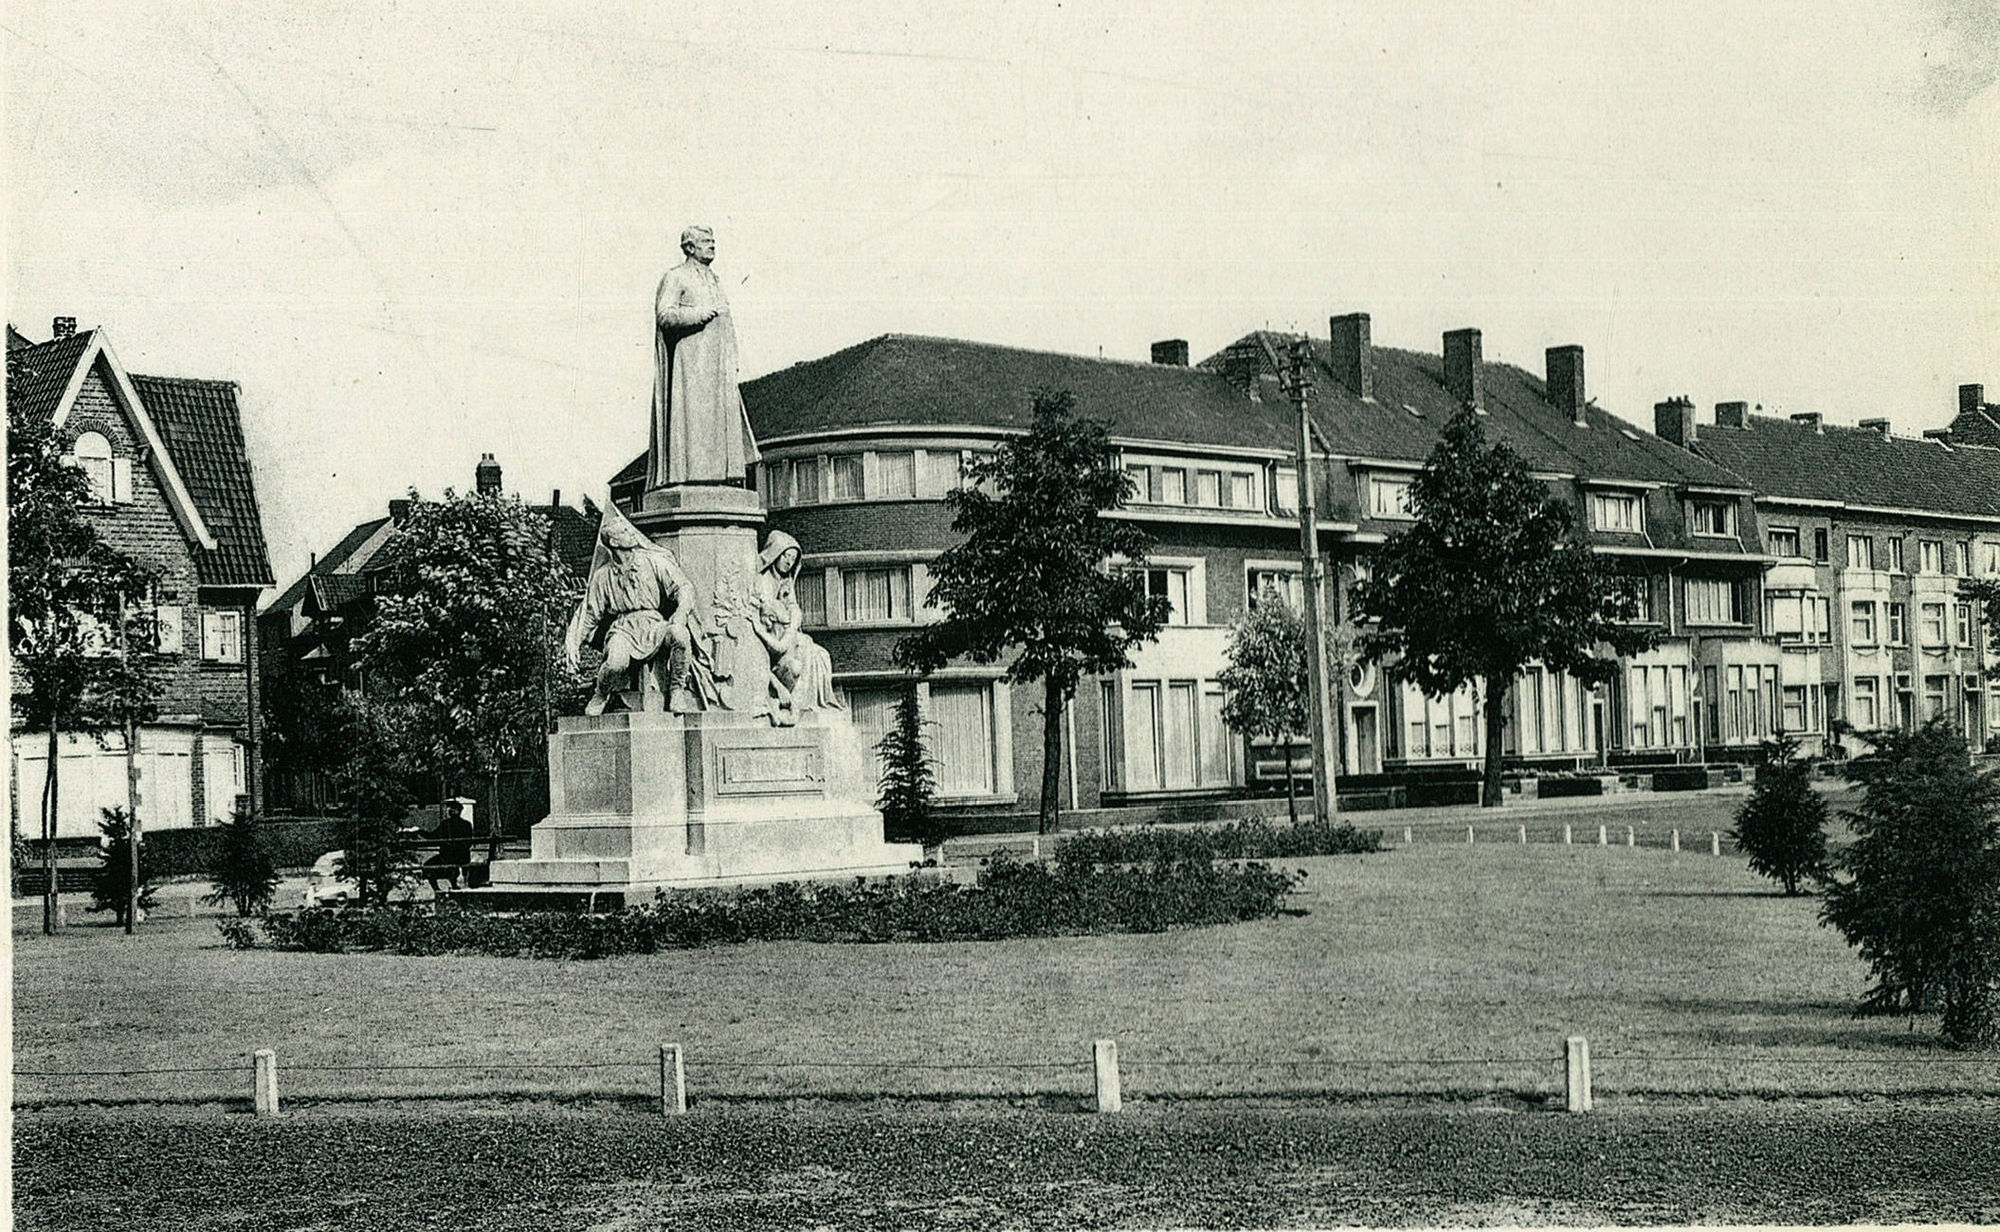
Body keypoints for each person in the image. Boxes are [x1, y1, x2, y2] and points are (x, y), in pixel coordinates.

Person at [564, 505, 716, 715]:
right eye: (624, 531)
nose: (631, 532)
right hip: (623, 629)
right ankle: (601, 693)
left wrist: (680, 613)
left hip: (654, 623)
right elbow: (590, 614)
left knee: (679, 635)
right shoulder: (603, 576)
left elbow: (684, 586)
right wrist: (574, 643)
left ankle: (677, 689)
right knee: (616, 662)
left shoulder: (653, 561)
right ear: (614, 542)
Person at [649, 224, 760, 488]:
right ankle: (691, 476)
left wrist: (733, 357)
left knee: (719, 423)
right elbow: (664, 315)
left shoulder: (715, 279)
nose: (713, 245)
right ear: (689, 247)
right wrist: (697, 315)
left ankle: (720, 476)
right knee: (694, 421)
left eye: (714, 241)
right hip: (693, 362)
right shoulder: (676, 277)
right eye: (706, 241)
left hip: (718, 364)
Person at [751, 530, 841, 722]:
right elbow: (771, 611)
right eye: (786, 556)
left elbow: (793, 608)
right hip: (773, 642)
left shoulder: (786, 582)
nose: (789, 562)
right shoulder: (762, 580)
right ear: (775, 553)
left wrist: (793, 618)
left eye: (793, 558)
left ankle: (801, 706)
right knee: (802, 657)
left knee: (820, 655)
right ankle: (794, 705)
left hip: (786, 638)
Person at [424, 800, 475, 894]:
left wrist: (418, 831)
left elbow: (432, 836)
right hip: (462, 858)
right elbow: (469, 843)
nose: (450, 810)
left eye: (452, 808)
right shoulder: (466, 825)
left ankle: (438, 890)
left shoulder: (446, 824)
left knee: (427, 867)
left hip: (448, 857)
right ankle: (452, 886)